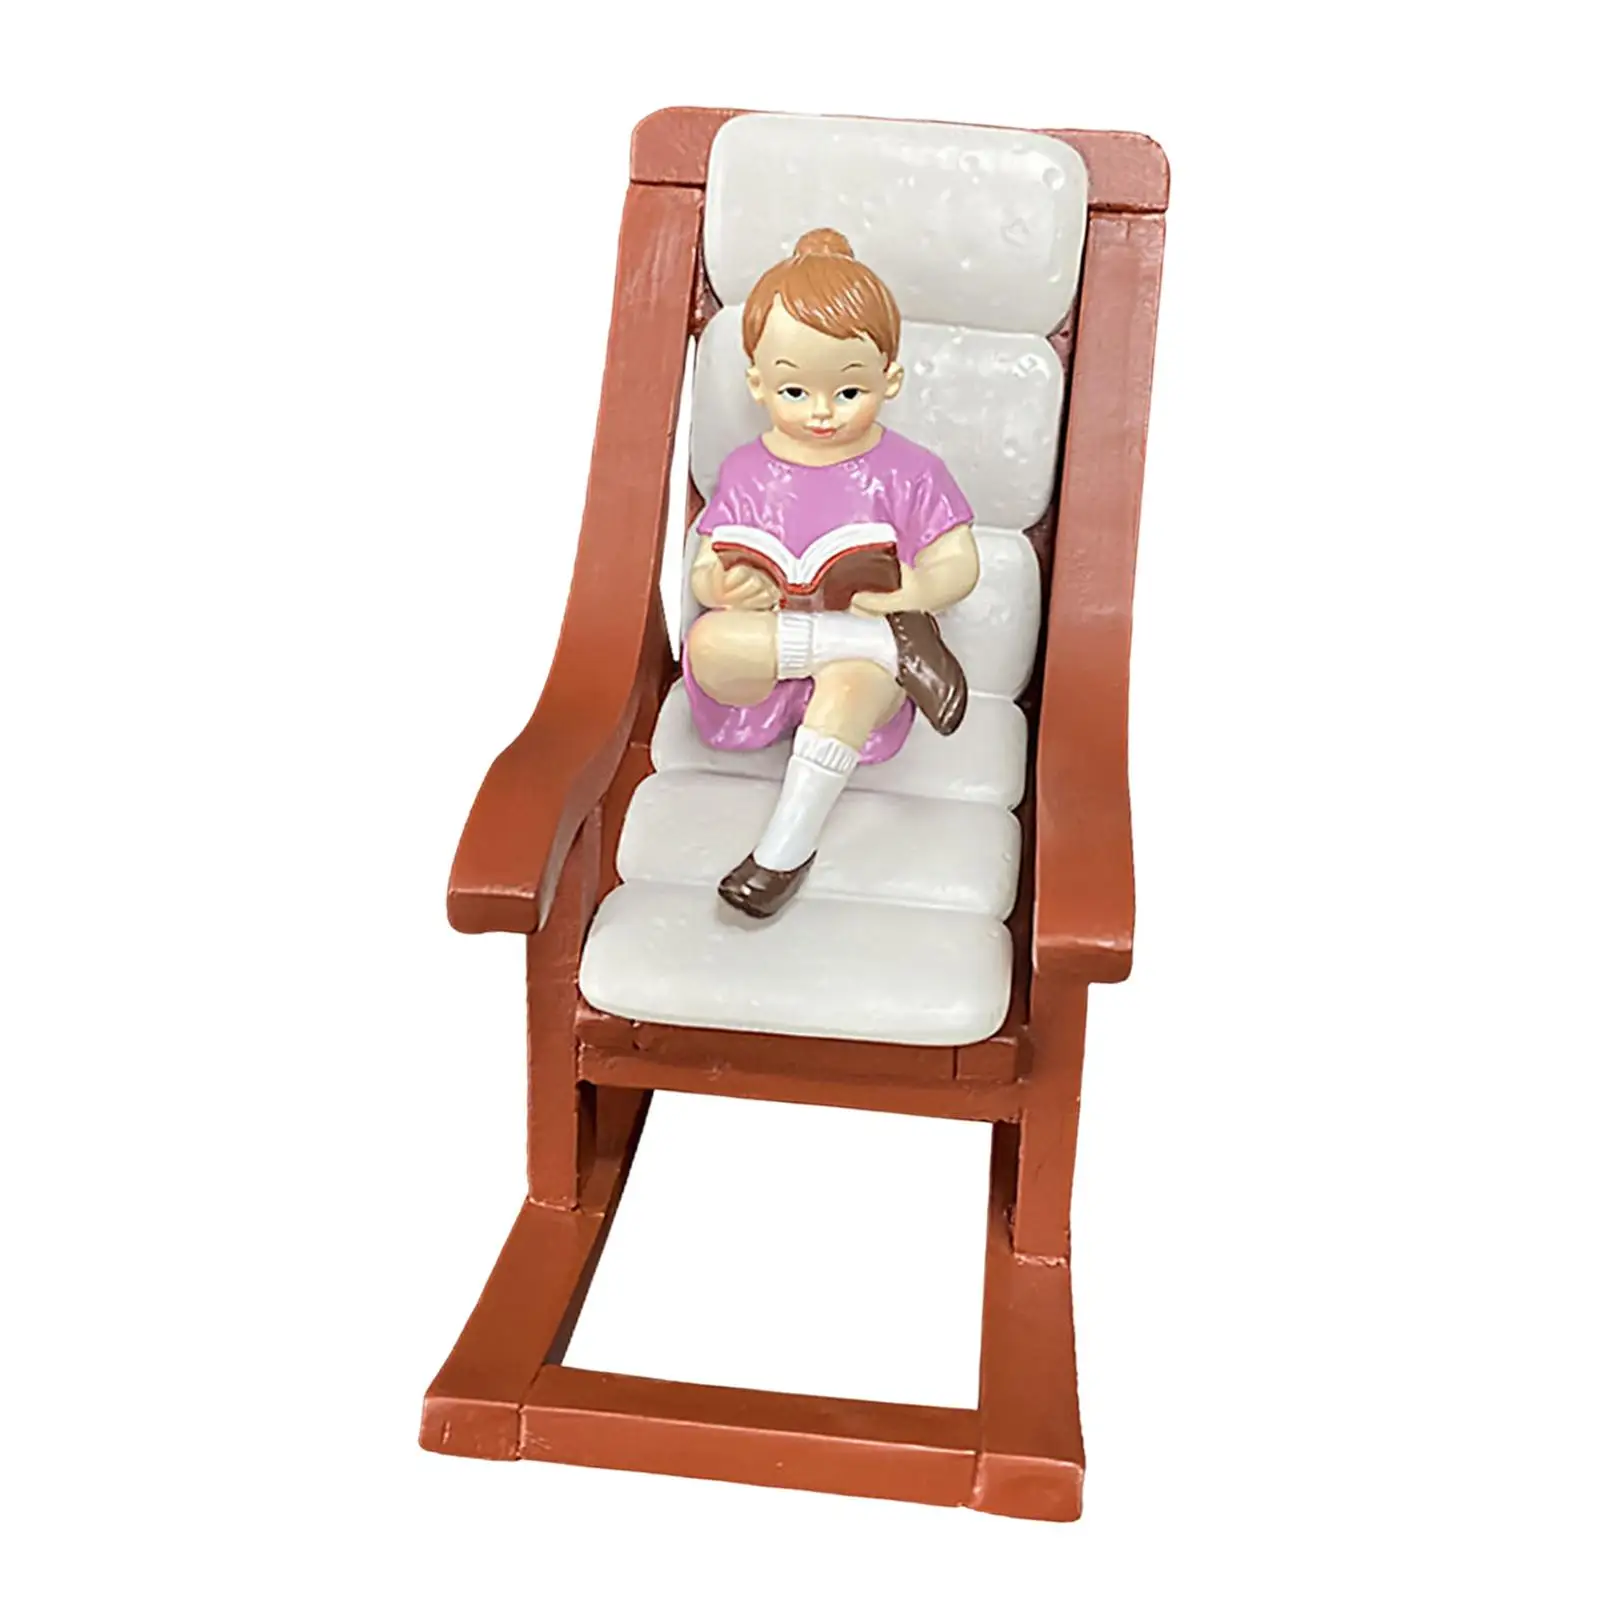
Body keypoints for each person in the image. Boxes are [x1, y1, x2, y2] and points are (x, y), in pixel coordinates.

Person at [686, 227, 981, 919]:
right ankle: (890, 645)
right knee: (708, 644)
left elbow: (958, 560)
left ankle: (781, 853)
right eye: (795, 389)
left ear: (889, 380)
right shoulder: (746, 470)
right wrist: (724, 587)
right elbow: (706, 565)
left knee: (852, 684)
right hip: (775, 651)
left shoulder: (909, 470)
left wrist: (915, 589)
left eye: (848, 391)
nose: (821, 412)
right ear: (757, 383)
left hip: (858, 666)